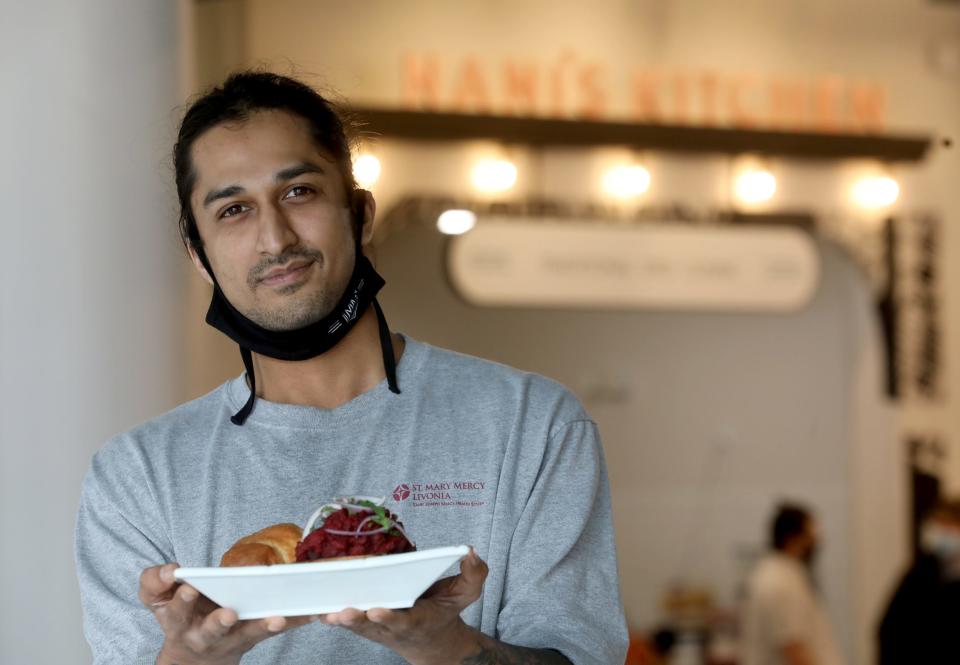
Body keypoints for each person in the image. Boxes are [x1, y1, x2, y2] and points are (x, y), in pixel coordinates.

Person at [73, 71, 628, 665]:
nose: (274, 239)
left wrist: (448, 647)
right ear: (199, 254)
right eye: (233, 210)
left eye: (298, 193)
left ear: (360, 214)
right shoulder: (136, 478)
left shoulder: (533, 426)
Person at [740, 503, 844, 665]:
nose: (817, 541)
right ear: (792, 538)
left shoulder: (785, 574)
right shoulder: (778, 581)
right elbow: (793, 647)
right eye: (811, 535)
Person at [878, 499, 960, 664]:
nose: (941, 534)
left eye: (948, 526)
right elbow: (890, 628)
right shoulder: (921, 571)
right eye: (938, 526)